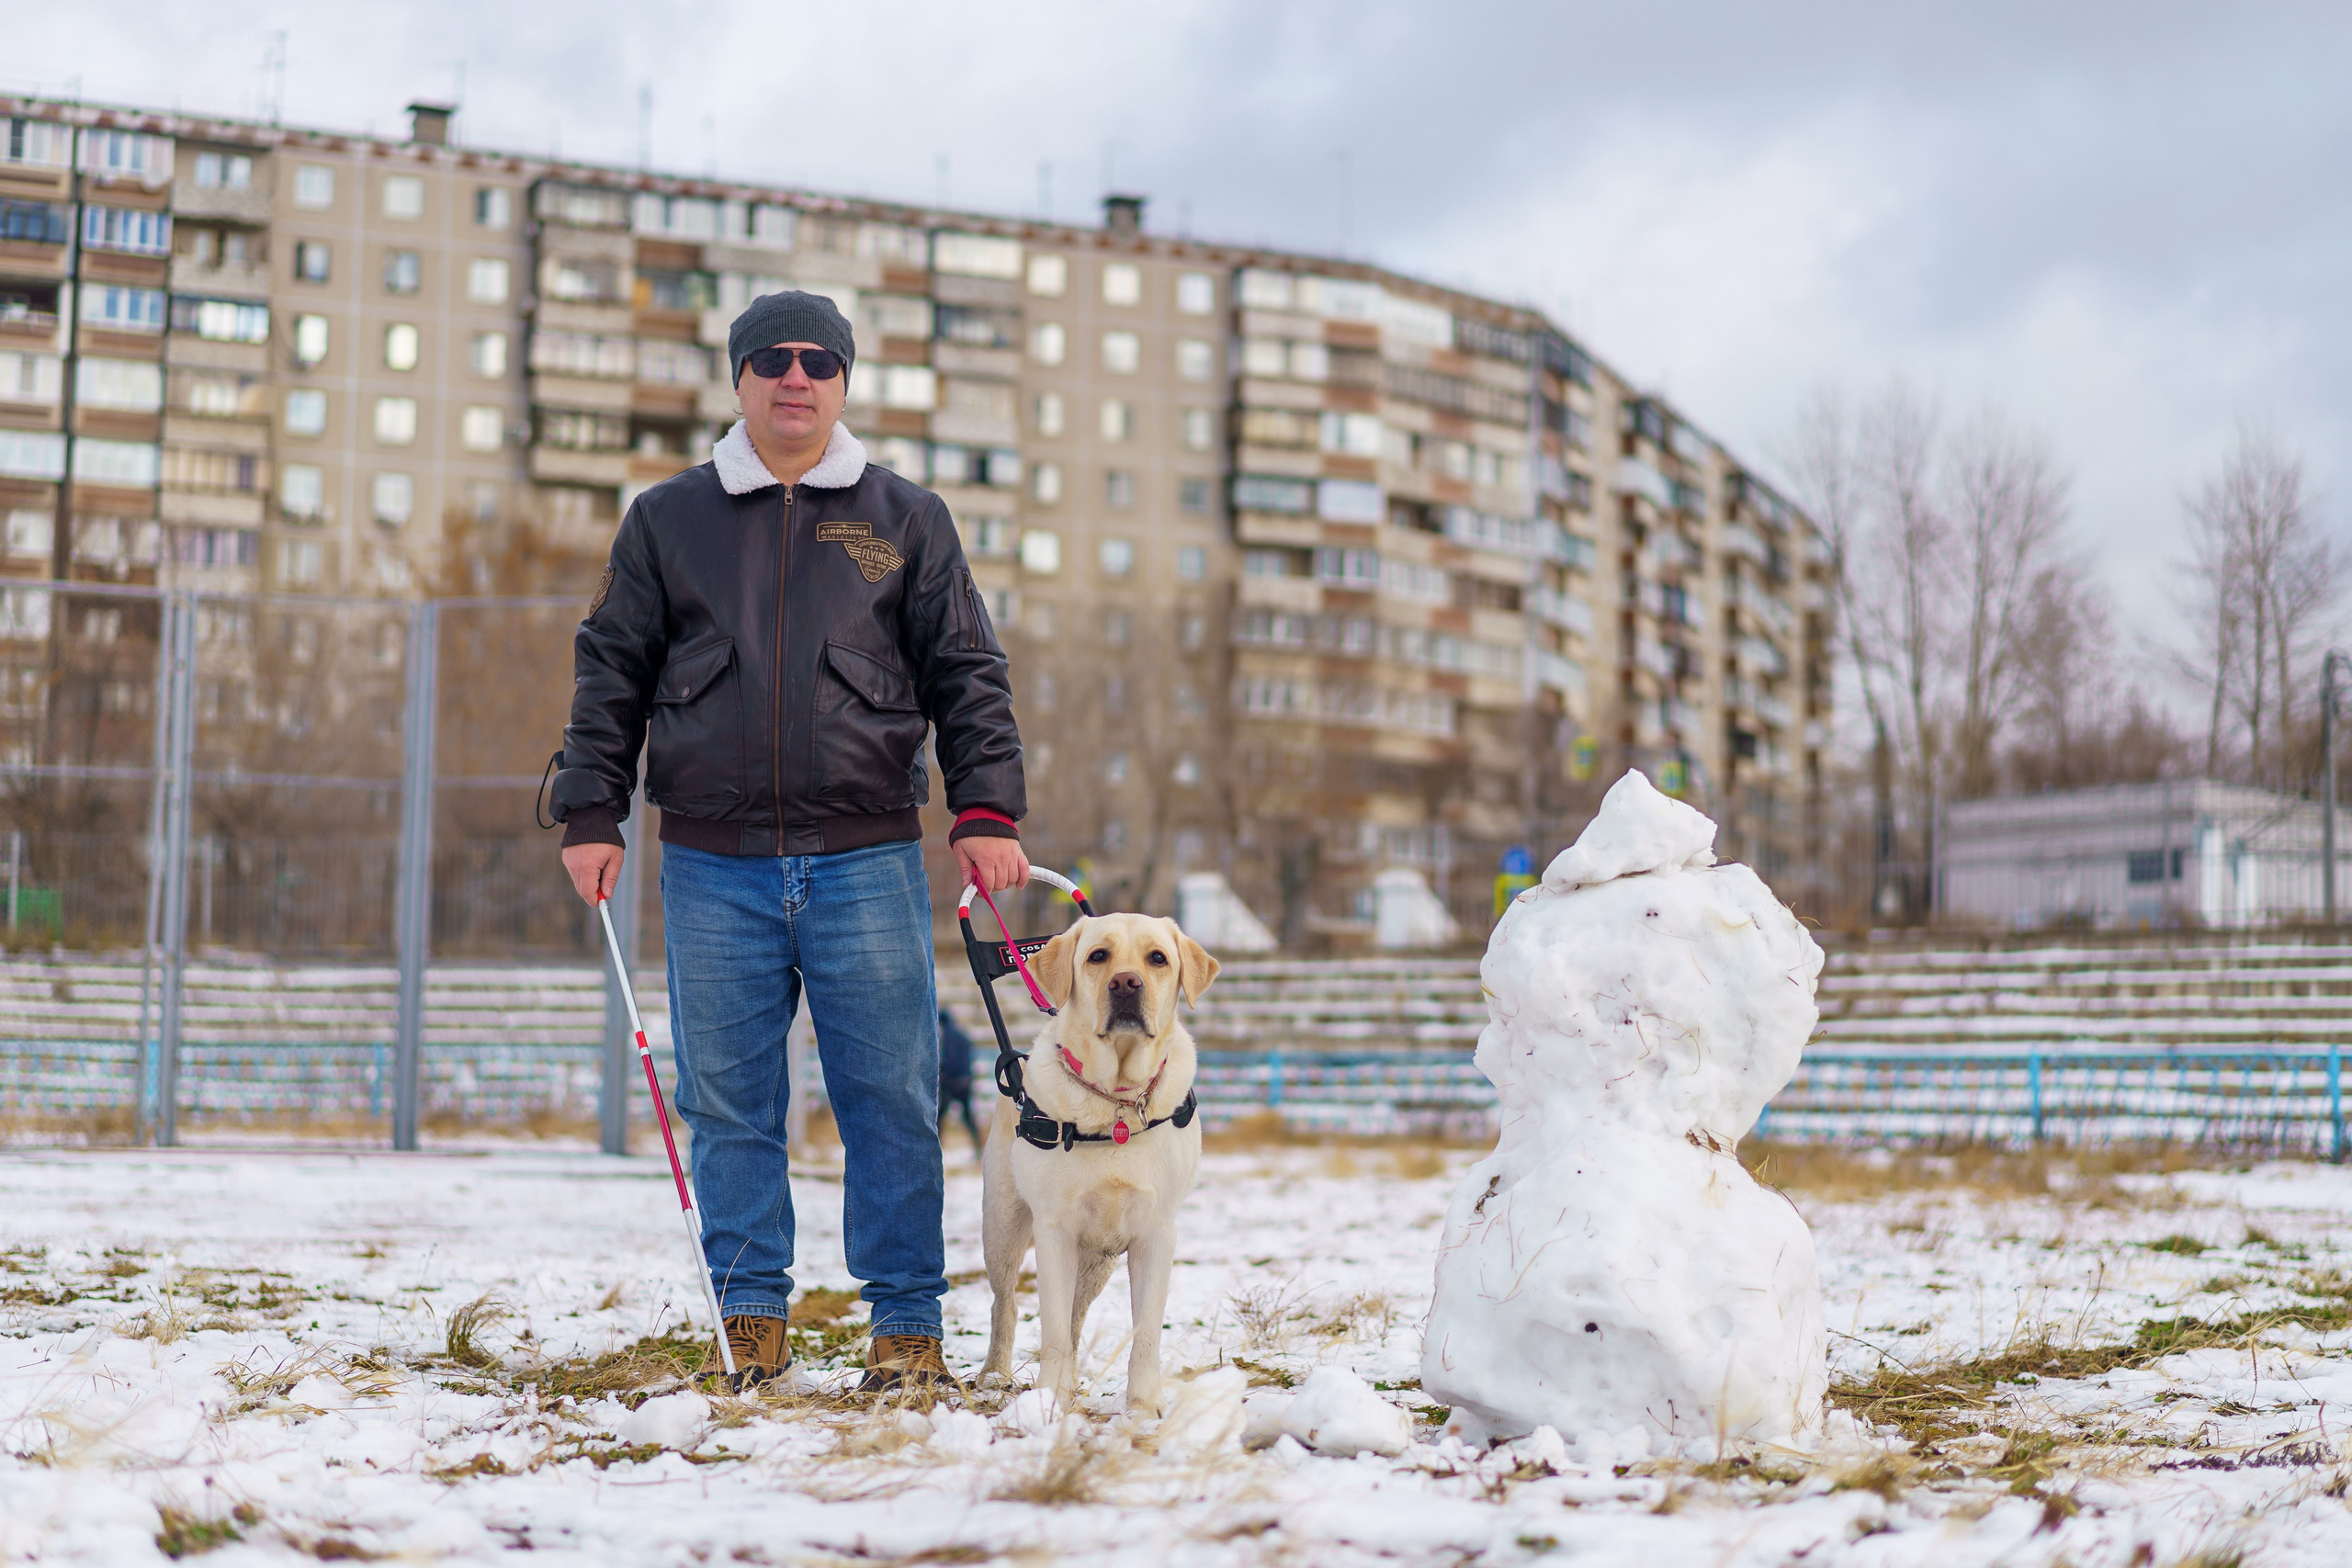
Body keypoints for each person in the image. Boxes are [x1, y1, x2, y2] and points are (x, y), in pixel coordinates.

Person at [549, 290, 1028, 1395]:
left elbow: (968, 674)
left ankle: (906, 1330)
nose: (796, 377)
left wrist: (986, 811)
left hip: (866, 858)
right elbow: (610, 671)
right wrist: (590, 810)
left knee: (895, 1100)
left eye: (819, 360)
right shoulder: (667, 520)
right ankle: (749, 1323)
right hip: (713, 864)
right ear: (740, 380)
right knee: (728, 1102)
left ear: (846, 380)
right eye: (772, 360)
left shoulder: (906, 518)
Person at [937, 1005, 981, 1156]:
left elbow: (949, 1060)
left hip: (951, 1083)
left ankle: (937, 1149)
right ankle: (978, 1148)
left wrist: (943, 1074)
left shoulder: (948, 1037)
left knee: (940, 1118)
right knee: (968, 1117)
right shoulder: (963, 1035)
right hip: (965, 1081)